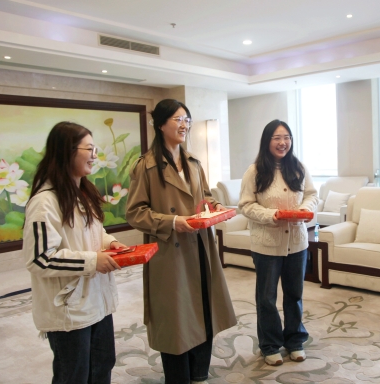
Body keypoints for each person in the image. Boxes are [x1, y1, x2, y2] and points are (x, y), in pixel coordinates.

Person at [125, 99, 236, 384]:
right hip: (169, 253)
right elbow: (135, 213)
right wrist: (173, 221)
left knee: (205, 309)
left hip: (200, 247)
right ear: (160, 124)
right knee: (175, 319)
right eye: (178, 119)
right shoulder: (146, 166)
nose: (184, 124)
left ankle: (199, 372)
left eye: (187, 119)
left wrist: (215, 206)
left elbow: (204, 197)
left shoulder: (193, 162)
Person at [23, 121, 126, 384]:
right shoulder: (44, 202)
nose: (94, 155)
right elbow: (40, 259)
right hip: (69, 307)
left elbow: (94, 232)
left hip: (97, 300)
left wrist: (111, 243)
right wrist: (93, 261)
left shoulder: (83, 193)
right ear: (66, 151)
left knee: (102, 366)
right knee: (74, 375)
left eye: (95, 149)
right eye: (89, 149)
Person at [238, 119, 318, 366]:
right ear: (267, 141)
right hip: (267, 244)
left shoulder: (298, 167)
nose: (283, 143)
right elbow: (246, 205)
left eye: (287, 138)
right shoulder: (254, 171)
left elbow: (312, 195)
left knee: (294, 295)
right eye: (277, 138)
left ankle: (295, 340)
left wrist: (304, 209)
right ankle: (270, 345)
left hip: (297, 243)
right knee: (266, 298)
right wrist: (271, 215)